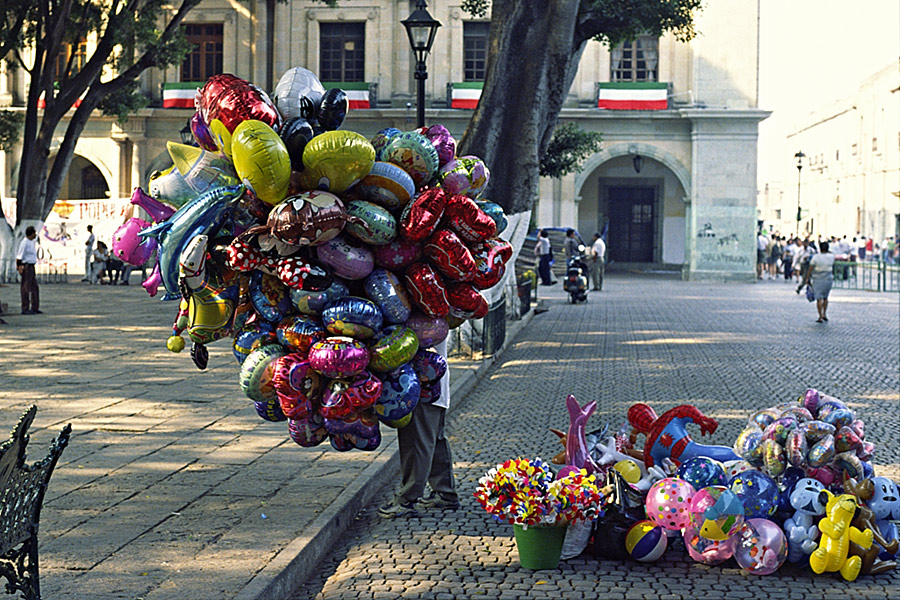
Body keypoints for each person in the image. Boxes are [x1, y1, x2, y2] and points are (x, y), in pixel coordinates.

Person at [378, 339, 459, 518]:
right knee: (434, 441)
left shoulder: (422, 318)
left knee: (416, 443)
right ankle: (444, 493)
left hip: (418, 387)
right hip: (432, 384)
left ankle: (406, 499)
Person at [797, 240, 834, 323]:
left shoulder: (816, 257)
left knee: (819, 298)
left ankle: (820, 316)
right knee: (825, 297)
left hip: (818, 278)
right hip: (828, 278)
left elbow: (810, 268)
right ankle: (824, 313)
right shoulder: (831, 256)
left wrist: (807, 278)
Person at [16, 226, 41, 315]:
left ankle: (35, 307)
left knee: (34, 287)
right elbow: (19, 256)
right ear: (31, 234)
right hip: (26, 266)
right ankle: (25, 308)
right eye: (34, 233)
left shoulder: (32, 242)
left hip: (32, 266)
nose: (35, 235)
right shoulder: (25, 243)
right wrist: (19, 267)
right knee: (26, 288)